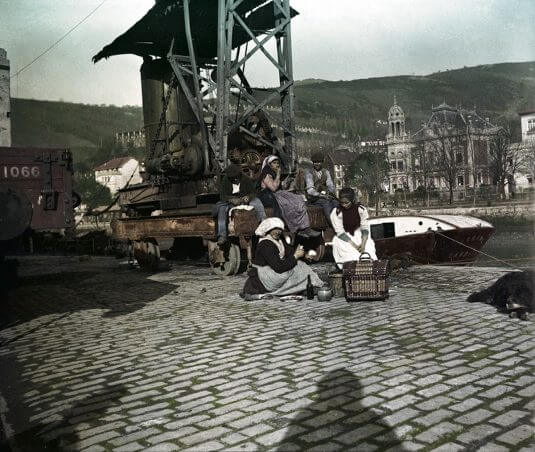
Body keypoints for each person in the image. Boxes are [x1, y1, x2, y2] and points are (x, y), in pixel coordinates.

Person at [242, 217, 324, 296]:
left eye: (280, 229)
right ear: (268, 230)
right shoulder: (265, 244)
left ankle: (306, 286)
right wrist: (295, 256)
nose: (278, 232)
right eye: (276, 229)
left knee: (300, 264)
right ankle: (304, 287)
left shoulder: (278, 240)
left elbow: (290, 251)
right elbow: (278, 267)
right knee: (298, 267)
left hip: (275, 271)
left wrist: (304, 255)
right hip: (265, 276)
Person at [257, 155, 320, 238]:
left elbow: (280, 186)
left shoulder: (273, 173)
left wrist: (288, 180)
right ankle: (296, 228)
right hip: (268, 195)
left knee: (298, 199)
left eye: (277, 163)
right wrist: (279, 174)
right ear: (269, 165)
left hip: (277, 193)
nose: (277, 165)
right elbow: (273, 188)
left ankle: (304, 228)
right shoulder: (266, 174)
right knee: (287, 204)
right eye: (274, 163)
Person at [213, 163, 266, 245]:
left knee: (257, 202)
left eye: (236, 177)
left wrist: (248, 197)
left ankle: (264, 225)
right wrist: (231, 200)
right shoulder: (225, 180)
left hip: (244, 199)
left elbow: (253, 192)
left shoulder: (245, 179)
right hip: (231, 202)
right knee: (222, 209)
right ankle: (222, 235)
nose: (235, 179)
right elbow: (222, 196)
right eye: (232, 178)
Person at [330, 187, 377, 268]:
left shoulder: (361, 210)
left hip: (359, 236)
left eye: (346, 202)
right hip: (345, 238)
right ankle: (349, 269)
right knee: (349, 254)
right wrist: (355, 246)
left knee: (368, 248)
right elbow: (339, 232)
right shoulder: (336, 212)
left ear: (352, 200)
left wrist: (363, 244)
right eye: (342, 203)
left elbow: (364, 227)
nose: (344, 205)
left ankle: (368, 269)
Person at [305, 151, 338, 225]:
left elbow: (330, 185)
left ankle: (340, 222)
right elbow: (310, 190)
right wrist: (322, 195)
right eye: (315, 162)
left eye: (319, 162)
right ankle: (333, 225)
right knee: (326, 203)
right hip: (313, 198)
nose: (317, 164)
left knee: (335, 203)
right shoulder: (309, 172)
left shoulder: (326, 172)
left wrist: (329, 192)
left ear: (322, 162)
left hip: (324, 195)